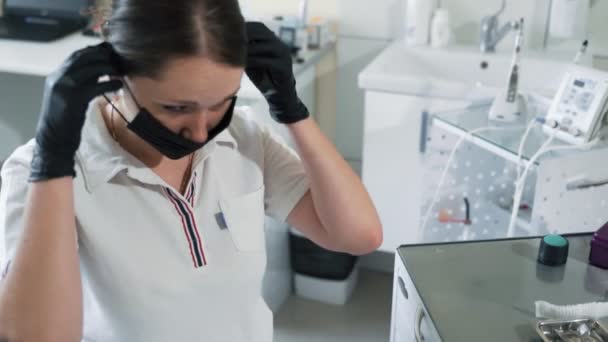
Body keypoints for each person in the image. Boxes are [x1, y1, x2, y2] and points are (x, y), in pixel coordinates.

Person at [0, 0, 382, 341]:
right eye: (176, 108)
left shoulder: (242, 136)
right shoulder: (41, 174)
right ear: (117, 70)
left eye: (220, 103)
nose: (201, 132)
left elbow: (358, 235)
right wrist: (53, 159)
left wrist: (292, 112)